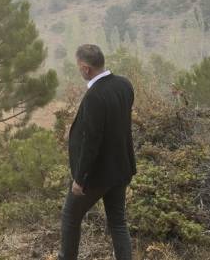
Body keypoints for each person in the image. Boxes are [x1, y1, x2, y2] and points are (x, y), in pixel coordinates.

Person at [59, 44, 136, 260]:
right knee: (118, 222)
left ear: (85, 68)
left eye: (78, 67)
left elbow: (91, 141)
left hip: (97, 176)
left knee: (70, 218)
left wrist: (80, 179)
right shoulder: (124, 85)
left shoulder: (94, 96)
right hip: (120, 169)